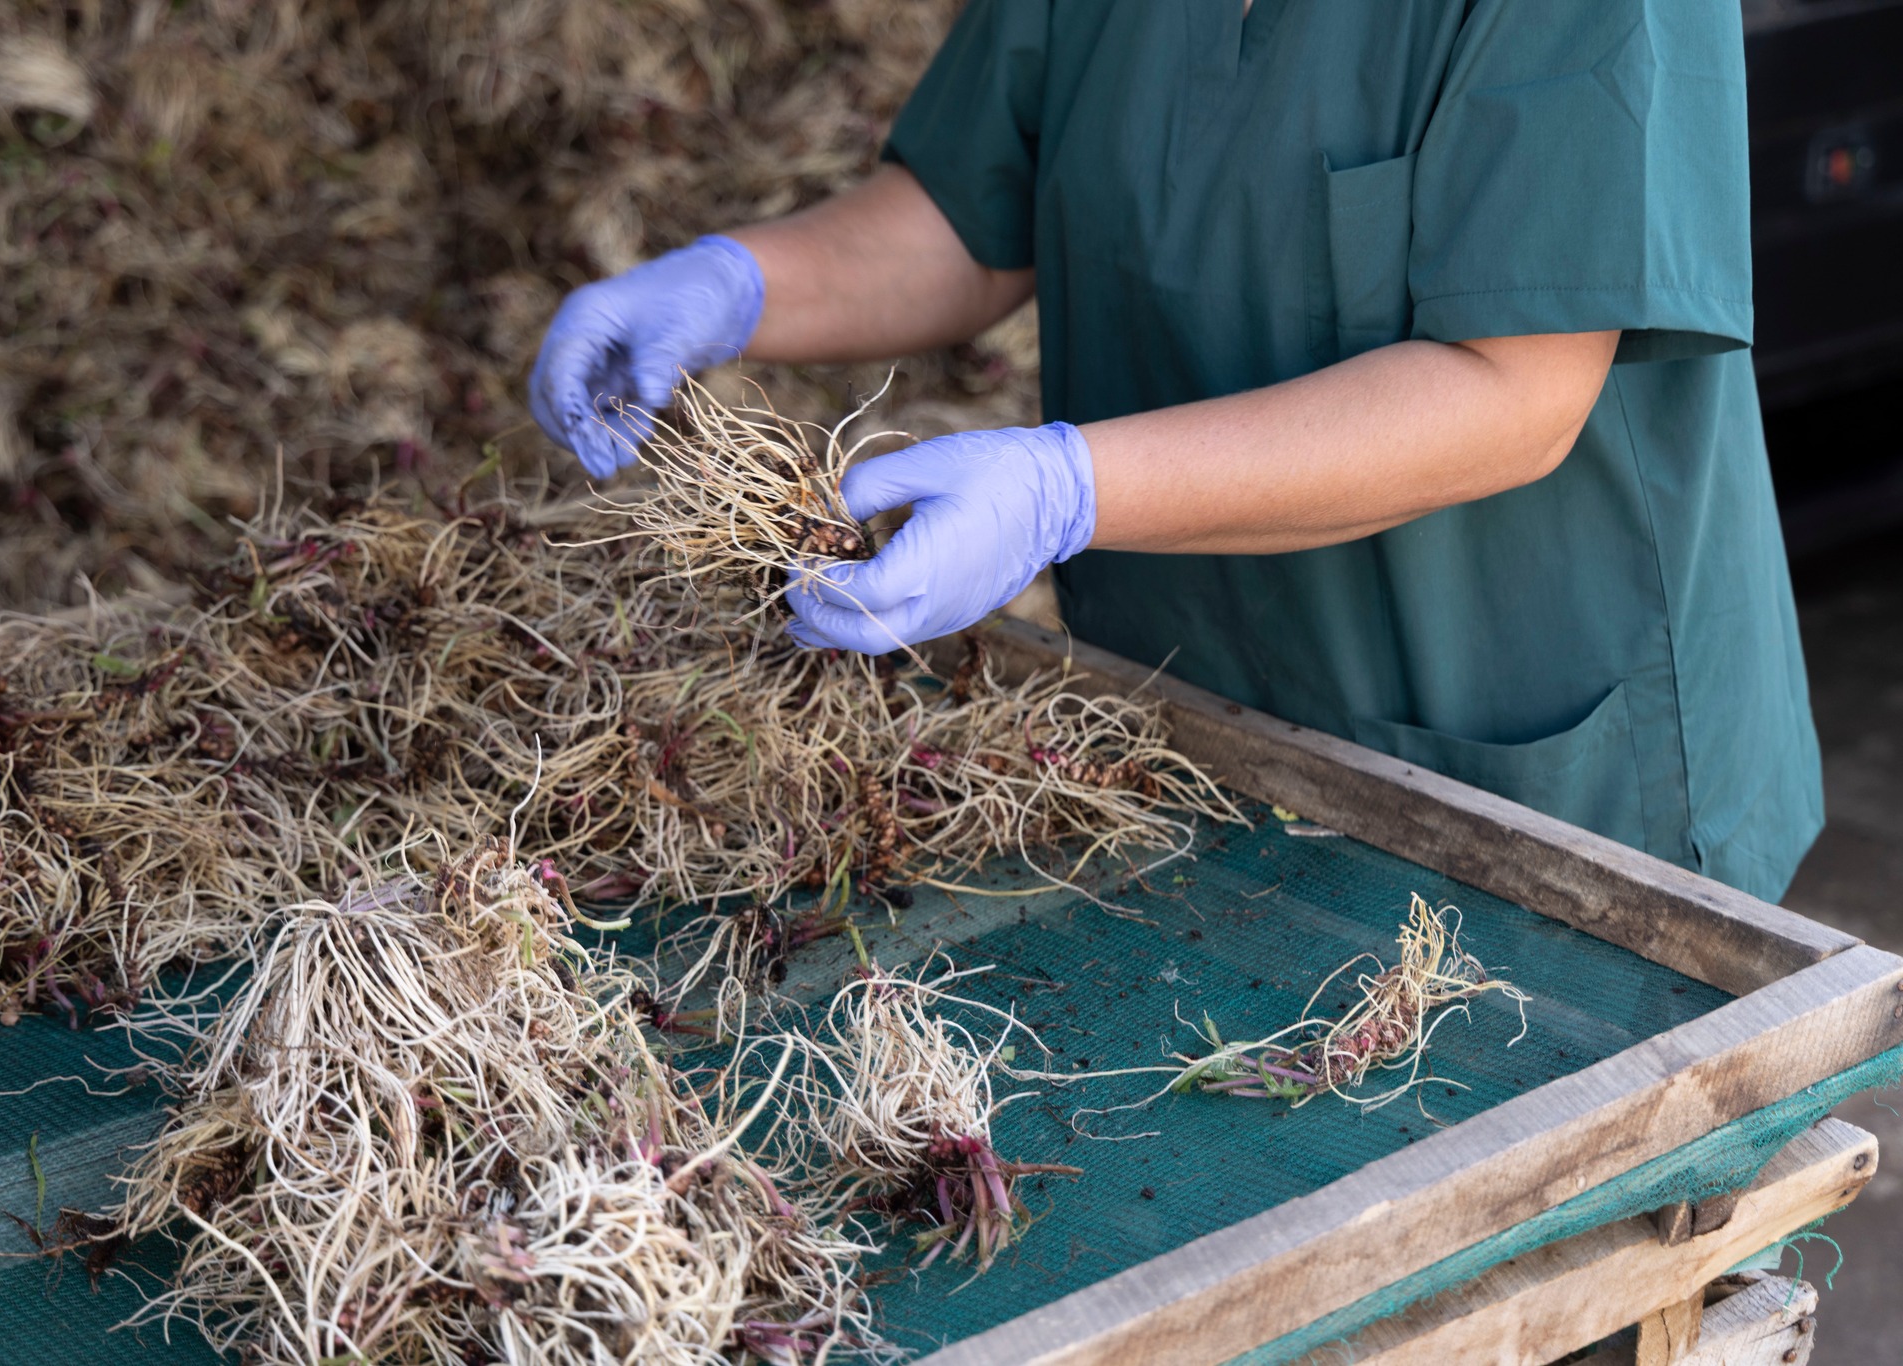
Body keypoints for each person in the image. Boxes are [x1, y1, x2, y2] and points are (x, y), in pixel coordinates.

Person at [527, 0, 1822, 902]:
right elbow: (974, 216)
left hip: (1523, 756)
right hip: (1191, 716)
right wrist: (737, 284)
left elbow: (1512, 392)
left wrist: (1064, 488)